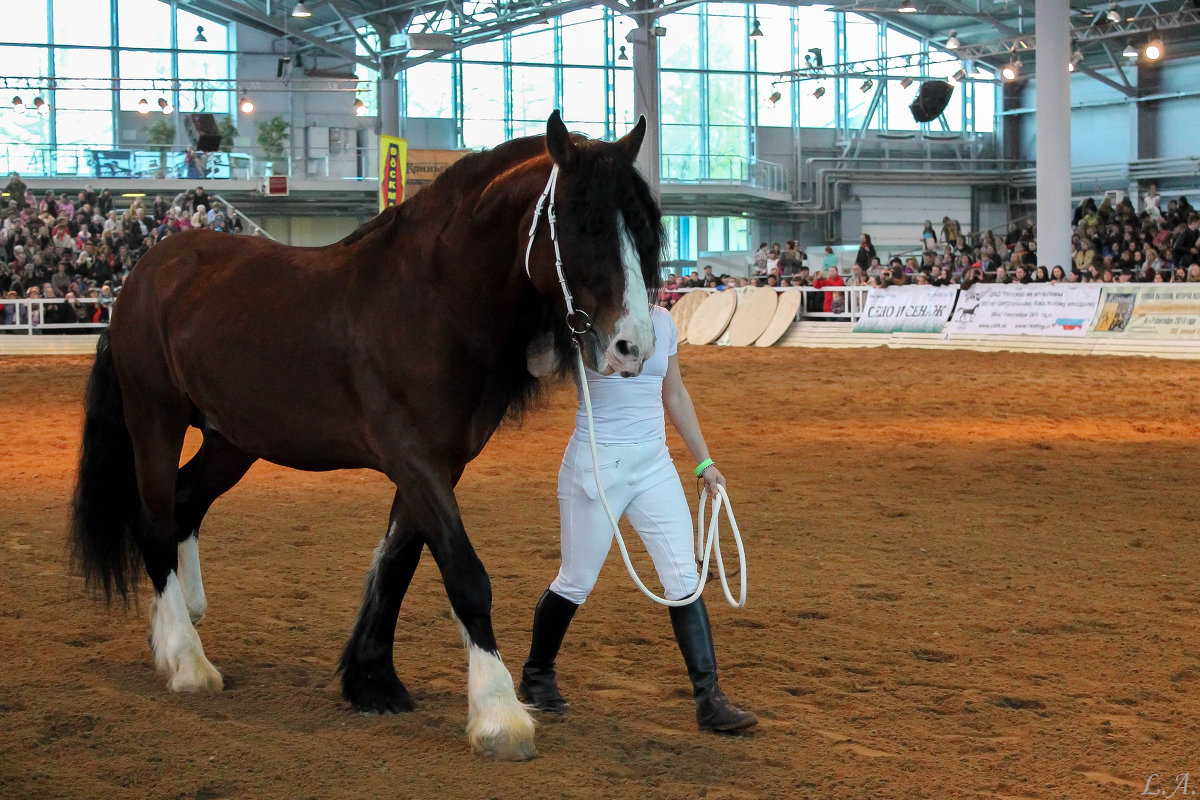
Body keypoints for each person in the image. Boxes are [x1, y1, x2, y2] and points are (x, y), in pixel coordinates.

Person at [518, 304, 757, 734]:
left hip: (654, 465)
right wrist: (551, 322)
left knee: (684, 578)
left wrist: (704, 463)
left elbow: (675, 393)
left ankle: (709, 699)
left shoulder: (663, 322)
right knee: (576, 581)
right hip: (595, 463)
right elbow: (537, 368)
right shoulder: (581, 320)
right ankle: (537, 675)